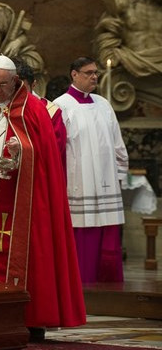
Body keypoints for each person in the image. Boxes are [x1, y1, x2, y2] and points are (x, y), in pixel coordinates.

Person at [0, 55, 86, 337]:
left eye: (2, 85)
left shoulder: (33, 109)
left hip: (23, 203)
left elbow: (46, 160)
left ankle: (29, 318)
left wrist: (22, 151)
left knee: (27, 257)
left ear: (15, 81)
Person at [54, 57, 129, 284]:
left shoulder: (103, 104)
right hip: (79, 184)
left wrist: (119, 174)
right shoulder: (60, 106)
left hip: (107, 184)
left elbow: (117, 143)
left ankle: (111, 287)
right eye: (88, 73)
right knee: (83, 236)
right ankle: (81, 286)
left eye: (95, 72)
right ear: (74, 75)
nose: (94, 77)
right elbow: (56, 150)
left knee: (108, 235)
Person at [13, 58, 67, 172]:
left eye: (22, 89)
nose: (16, 94)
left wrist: (23, 149)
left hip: (37, 175)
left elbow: (55, 152)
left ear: (33, 85)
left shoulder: (50, 112)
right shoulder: (0, 108)